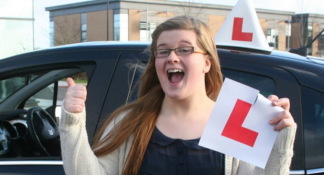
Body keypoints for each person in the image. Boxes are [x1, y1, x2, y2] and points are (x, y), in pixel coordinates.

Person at [60, 15, 296, 175]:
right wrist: (71, 122)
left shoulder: (234, 117)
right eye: (163, 51)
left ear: (207, 62)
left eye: (184, 49)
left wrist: (281, 137)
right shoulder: (130, 122)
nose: (172, 57)